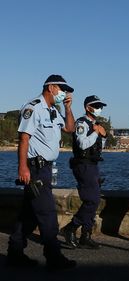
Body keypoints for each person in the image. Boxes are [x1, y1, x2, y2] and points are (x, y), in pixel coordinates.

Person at [6, 74, 77, 270]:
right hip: (35, 169)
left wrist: (68, 108)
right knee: (47, 213)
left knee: (28, 215)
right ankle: (54, 258)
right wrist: (22, 168)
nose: (64, 93)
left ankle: (15, 253)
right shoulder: (34, 107)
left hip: (46, 168)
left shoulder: (53, 110)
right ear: (51, 87)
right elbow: (24, 139)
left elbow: (70, 128)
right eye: (62, 89)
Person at [59, 95, 107, 250]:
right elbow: (82, 144)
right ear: (88, 107)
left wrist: (102, 135)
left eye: (101, 106)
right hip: (83, 165)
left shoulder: (95, 124)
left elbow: (98, 148)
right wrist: (96, 133)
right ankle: (70, 228)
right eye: (96, 105)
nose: (99, 108)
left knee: (94, 200)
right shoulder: (81, 123)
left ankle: (86, 235)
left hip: (93, 165)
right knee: (91, 200)